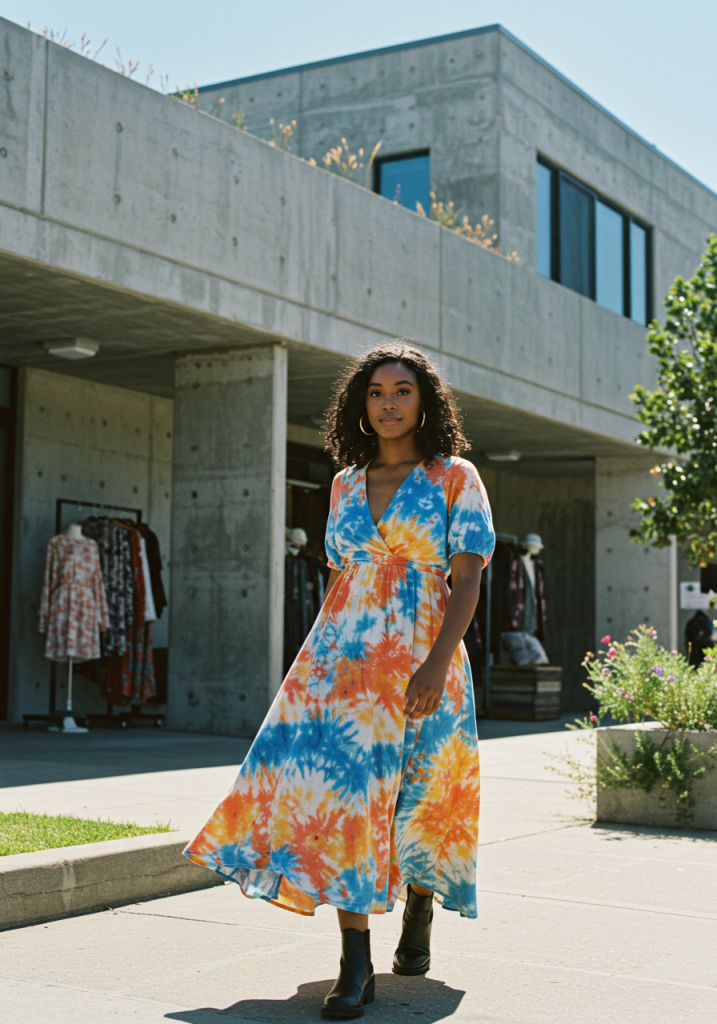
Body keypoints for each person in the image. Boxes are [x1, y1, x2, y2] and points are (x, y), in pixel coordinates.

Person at [184, 341, 495, 1018]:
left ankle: (419, 904)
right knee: (343, 800)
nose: (388, 403)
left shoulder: (454, 476)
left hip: (424, 659)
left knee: (421, 794)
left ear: (425, 402)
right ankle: (355, 961)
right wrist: (313, 669)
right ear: (360, 405)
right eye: (376, 392)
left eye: (402, 391)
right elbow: (339, 582)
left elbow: (467, 580)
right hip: (343, 666)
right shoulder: (345, 483)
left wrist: (435, 664)